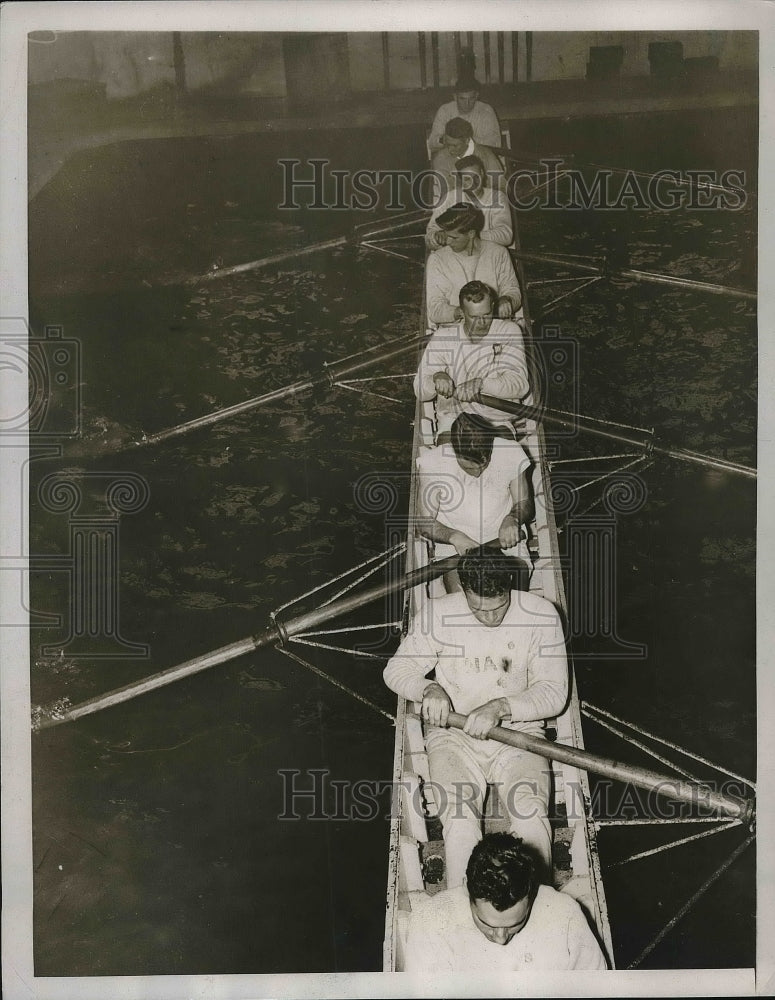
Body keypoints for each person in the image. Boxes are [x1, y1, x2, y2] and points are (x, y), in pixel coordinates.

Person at [383, 547, 569, 888]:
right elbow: (396, 670)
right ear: (462, 589)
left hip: (519, 735)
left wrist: (500, 707)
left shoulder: (542, 614)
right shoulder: (440, 612)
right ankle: (462, 912)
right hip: (454, 737)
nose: (489, 618)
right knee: (459, 823)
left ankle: (539, 904)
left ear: (510, 586)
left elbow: (555, 694)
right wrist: (428, 689)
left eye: (498, 608)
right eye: (477, 609)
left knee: (531, 818)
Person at [402, 833, 608, 973]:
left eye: (514, 925)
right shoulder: (428, 924)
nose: (501, 938)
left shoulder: (566, 915)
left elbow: (597, 987)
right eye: (488, 924)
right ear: (467, 889)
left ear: (533, 893)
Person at [415, 279, 529, 438]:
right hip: (453, 417)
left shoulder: (509, 331)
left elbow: (520, 386)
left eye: (487, 314)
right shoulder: (443, 337)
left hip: (497, 417)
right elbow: (419, 390)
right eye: (474, 316)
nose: (482, 323)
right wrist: (436, 378)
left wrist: (481, 384)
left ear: (493, 307)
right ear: (461, 313)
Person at [416, 410, 532, 555]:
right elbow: (424, 524)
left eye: (484, 464)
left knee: (519, 573)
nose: (478, 473)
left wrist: (513, 518)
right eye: (469, 468)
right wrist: (455, 537)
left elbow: (524, 501)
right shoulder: (432, 464)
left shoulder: (511, 451)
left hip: (504, 536)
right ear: (454, 450)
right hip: (455, 542)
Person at [425, 206, 521, 328]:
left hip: (493, 326)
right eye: (446, 235)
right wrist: (461, 312)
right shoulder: (437, 259)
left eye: (454, 238)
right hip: (456, 330)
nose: (447, 242)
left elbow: (513, 292)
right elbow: (434, 309)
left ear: (471, 234)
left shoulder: (499, 253)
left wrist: (507, 300)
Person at [425, 155, 512, 250]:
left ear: (482, 174)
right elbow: (430, 235)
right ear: (460, 181)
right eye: (467, 179)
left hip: (485, 253)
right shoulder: (450, 198)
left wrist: (469, 236)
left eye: (476, 177)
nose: (474, 184)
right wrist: (436, 237)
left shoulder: (497, 197)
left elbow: (506, 235)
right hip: (454, 256)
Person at [430, 118, 504, 199]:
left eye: (455, 146)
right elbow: (447, 194)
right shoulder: (441, 159)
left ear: (467, 140)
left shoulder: (486, 155)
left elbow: (502, 188)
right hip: (456, 207)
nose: (450, 149)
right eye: (448, 144)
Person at [429, 78, 502, 152]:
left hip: (479, 158)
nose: (467, 104)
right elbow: (431, 143)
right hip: (451, 159)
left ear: (476, 96)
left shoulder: (486, 111)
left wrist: (466, 141)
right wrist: (443, 140)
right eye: (462, 99)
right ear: (455, 97)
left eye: (471, 98)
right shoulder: (445, 110)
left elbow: (496, 144)